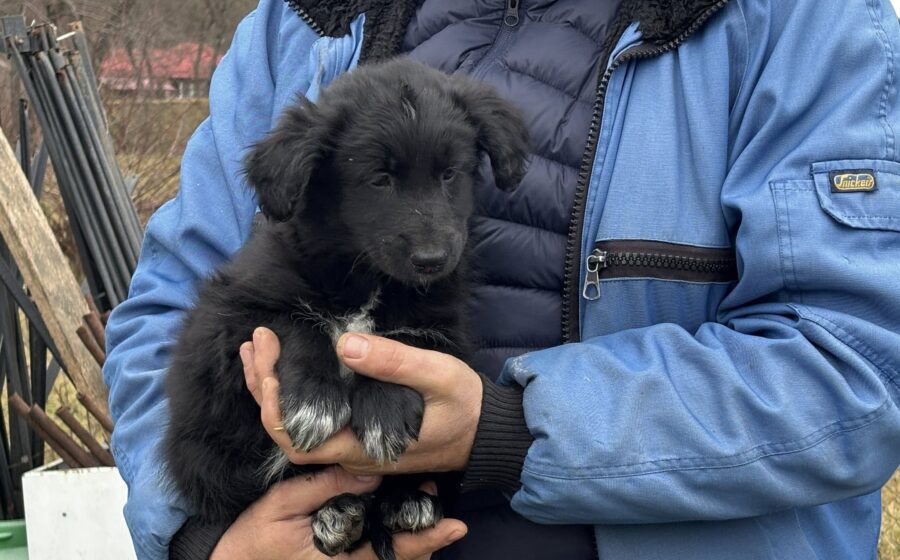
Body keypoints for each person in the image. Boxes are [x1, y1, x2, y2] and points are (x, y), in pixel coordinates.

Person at [103, 0, 900, 558]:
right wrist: (205, 540)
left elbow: (857, 368)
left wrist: (514, 432)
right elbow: (164, 311)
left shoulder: (794, 20)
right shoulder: (308, 16)